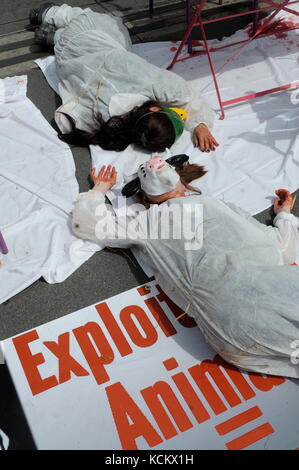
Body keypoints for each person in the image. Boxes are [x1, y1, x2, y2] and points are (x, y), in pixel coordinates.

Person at [72, 157, 299, 378]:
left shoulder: (151, 220)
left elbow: (89, 222)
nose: (154, 166)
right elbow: (282, 248)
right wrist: (284, 218)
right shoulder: (151, 220)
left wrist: (99, 190)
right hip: (252, 307)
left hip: (234, 330)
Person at [29, 3, 219, 152]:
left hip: (83, 37)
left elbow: (186, 94)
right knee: (106, 37)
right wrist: (198, 124)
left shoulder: (152, 82)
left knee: (112, 23)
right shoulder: (104, 122)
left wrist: (199, 125)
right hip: (66, 60)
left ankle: (49, 13)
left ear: (154, 108)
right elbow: (64, 122)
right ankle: (54, 36)